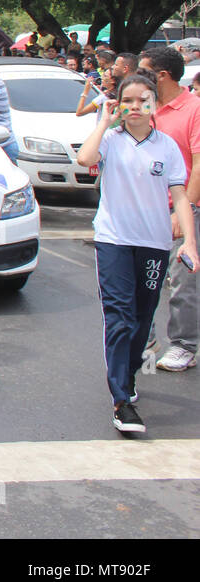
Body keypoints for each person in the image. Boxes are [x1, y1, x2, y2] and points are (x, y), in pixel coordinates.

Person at [76, 74, 198, 433]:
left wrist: (189, 242)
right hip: (114, 240)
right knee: (120, 317)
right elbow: (85, 158)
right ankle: (120, 401)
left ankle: (127, 378)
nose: (134, 107)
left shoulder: (167, 147)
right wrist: (104, 121)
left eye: (142, 100)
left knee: (143, 319)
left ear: (154, 104)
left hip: (155, 243)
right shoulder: (111, 141)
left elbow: (180, 197)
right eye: (126, 100)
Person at [138, 47, 200, 374]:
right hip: (147, 211)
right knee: (143, 280)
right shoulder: (145, 107)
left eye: (144, 70)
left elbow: (199, 163)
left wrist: (183, 211)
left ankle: (184, 345)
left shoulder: (194, 109)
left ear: (162, 75)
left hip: (184, 210)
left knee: (181, 281)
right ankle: (144, 342)